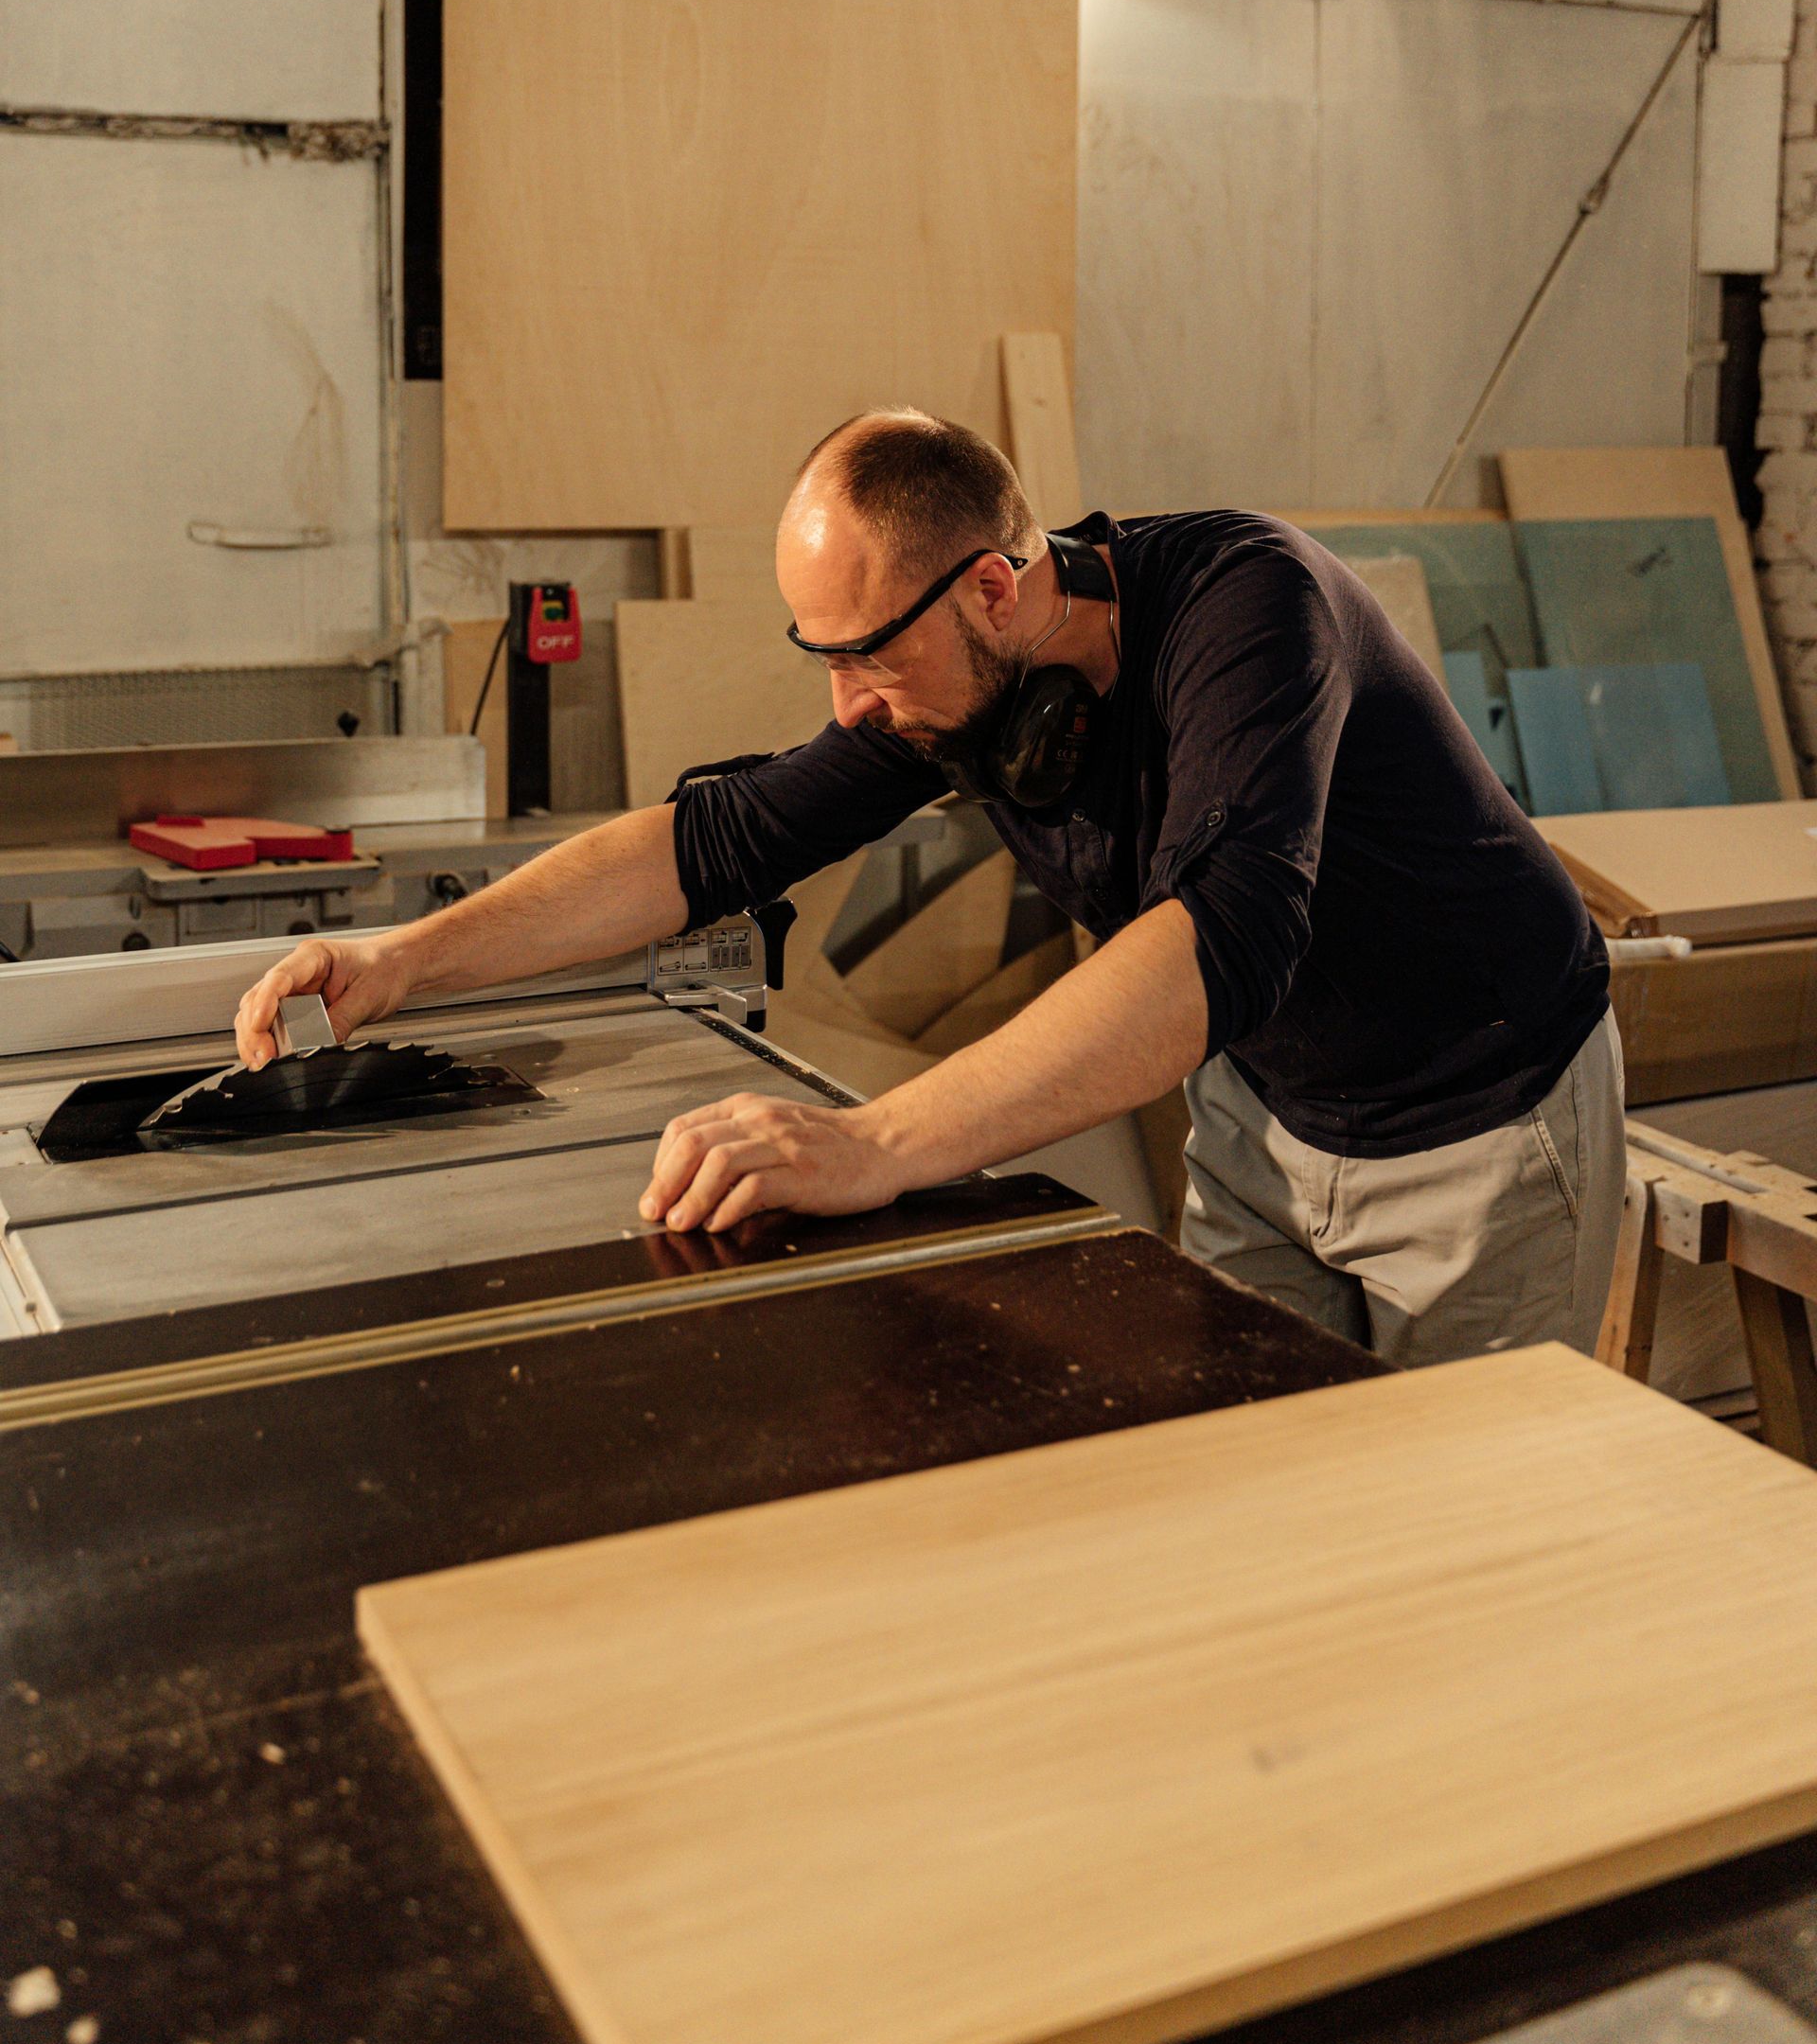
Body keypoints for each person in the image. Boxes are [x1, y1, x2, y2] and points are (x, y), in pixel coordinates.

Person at [237, 410, 1623, 1365]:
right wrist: (412, 957)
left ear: (995, 591)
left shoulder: (1250, 609)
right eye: (822, 656)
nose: (847, 705)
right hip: (1269, 1121)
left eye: (867, 656)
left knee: (1471, 1545)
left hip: (1478, 1125)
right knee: (1253, 1486)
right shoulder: (953, 689)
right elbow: (712, 843)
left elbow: (1226, 941)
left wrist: (875, 1143)